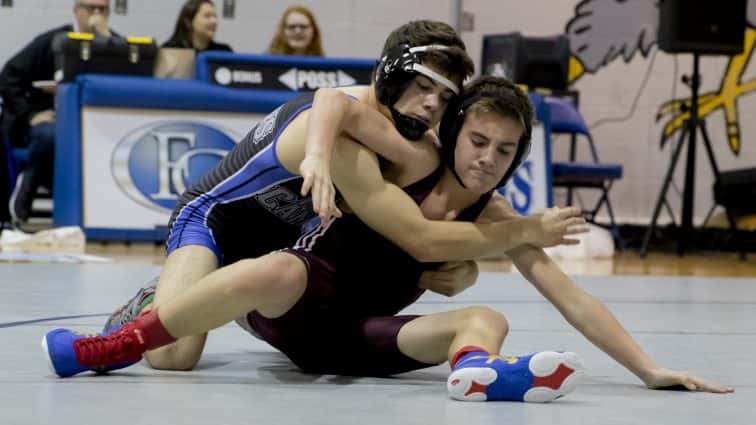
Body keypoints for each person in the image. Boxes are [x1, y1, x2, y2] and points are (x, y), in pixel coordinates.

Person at [42, 77, 732, 403]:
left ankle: (473, 372)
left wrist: (648, 367)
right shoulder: (406, 163)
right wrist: (518, 231)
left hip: (362, 335)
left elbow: (570, 295)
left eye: (505, 150)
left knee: (485, 316)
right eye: (478, 140)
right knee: (275, 274)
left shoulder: (494, 218)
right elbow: (338, 107)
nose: (488, 158)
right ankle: (113, 344)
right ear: (454, 131)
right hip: (294, 304)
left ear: (519, 158)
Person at [42, 20, 585, 376]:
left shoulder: (405, 140)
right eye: (424, 86)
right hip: (215, 220)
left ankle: (207, 295)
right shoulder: (348, 115)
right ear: (393, 73)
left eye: (444, 97)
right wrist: (319, 155)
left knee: (279, 274)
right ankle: (157, 297)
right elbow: (331, 102)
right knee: (174, 358)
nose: (430, 104)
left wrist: (461, 268)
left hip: (280, 246)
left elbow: (403, 227)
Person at [0, 0, 116, 226]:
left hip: (94, 124)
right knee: (50, 135)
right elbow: (8, 76)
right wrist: (30, 115)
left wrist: (107, 40)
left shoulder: (114, 45)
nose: (96, 14)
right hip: (48, 121)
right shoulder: (53, 41)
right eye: (90, 8)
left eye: (102, 9)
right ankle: (21, 204)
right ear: (77, 10)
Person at [162, 0, 232, 52]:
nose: (214, 21)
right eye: (207, 16)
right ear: (188, 22)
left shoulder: (224, 51)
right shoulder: (170, 50)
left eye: (215, 16)